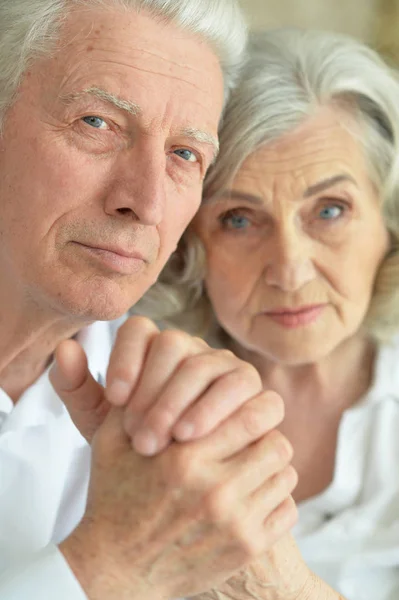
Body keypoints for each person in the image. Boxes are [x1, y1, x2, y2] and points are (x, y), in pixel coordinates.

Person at [0, 3, 301, 599]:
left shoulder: (160, 399)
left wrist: (267, 578)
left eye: (185, 154)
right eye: (97, 122)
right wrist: (116, 567)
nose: (146, 202)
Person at [131, 28, 399, 599]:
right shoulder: (126, 394)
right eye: (239, 220)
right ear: (189, 244)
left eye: (330, 210)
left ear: (389, 226)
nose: (290, 271)